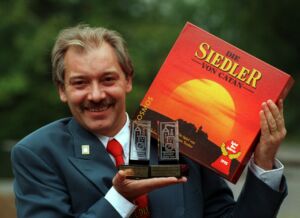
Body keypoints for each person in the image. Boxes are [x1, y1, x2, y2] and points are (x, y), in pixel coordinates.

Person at [11, 24, 287, 218]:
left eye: (108, 79)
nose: (96, 95)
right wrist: (119, 198)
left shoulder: (178, 140)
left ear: (128, 79)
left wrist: (263, 162)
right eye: (80, 83)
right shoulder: (37, 153)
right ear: (62, 90)